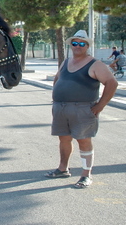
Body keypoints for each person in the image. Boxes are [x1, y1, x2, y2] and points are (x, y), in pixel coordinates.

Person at [45, 30, 118, 189]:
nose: (78, 46)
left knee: (84, 141)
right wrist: (56, 96)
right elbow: (58, 78)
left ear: (87, 46)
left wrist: (100, 105)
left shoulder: (95, 64)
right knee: (63, 139)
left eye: (82, 43)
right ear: (71, 44)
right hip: (61, 108)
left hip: (83, 109)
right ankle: (63, 168)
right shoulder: (66, 62)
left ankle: (86, 175)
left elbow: (112, 83)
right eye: (75, 43)